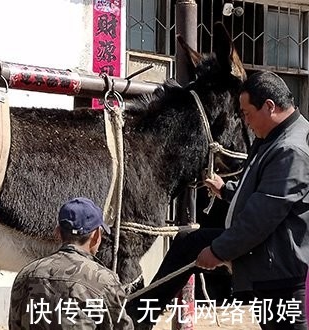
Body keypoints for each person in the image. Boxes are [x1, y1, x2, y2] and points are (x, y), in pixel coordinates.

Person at [127, 71, 309, 329]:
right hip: (269, 257)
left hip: (279, 269)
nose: (244, 122)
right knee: (188, 243)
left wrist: (218, 251)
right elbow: (260, 193)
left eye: (246, 113)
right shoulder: (273, 139)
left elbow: (261, 217)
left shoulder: (291, 149)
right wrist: (225, 190)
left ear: (269, 106)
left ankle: (138, 316)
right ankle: (140, 315)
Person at [8, 197, 134, 329]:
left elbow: (14, 325)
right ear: (96, 236)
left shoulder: (26, 274)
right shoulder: (104, 280)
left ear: (58, 232)